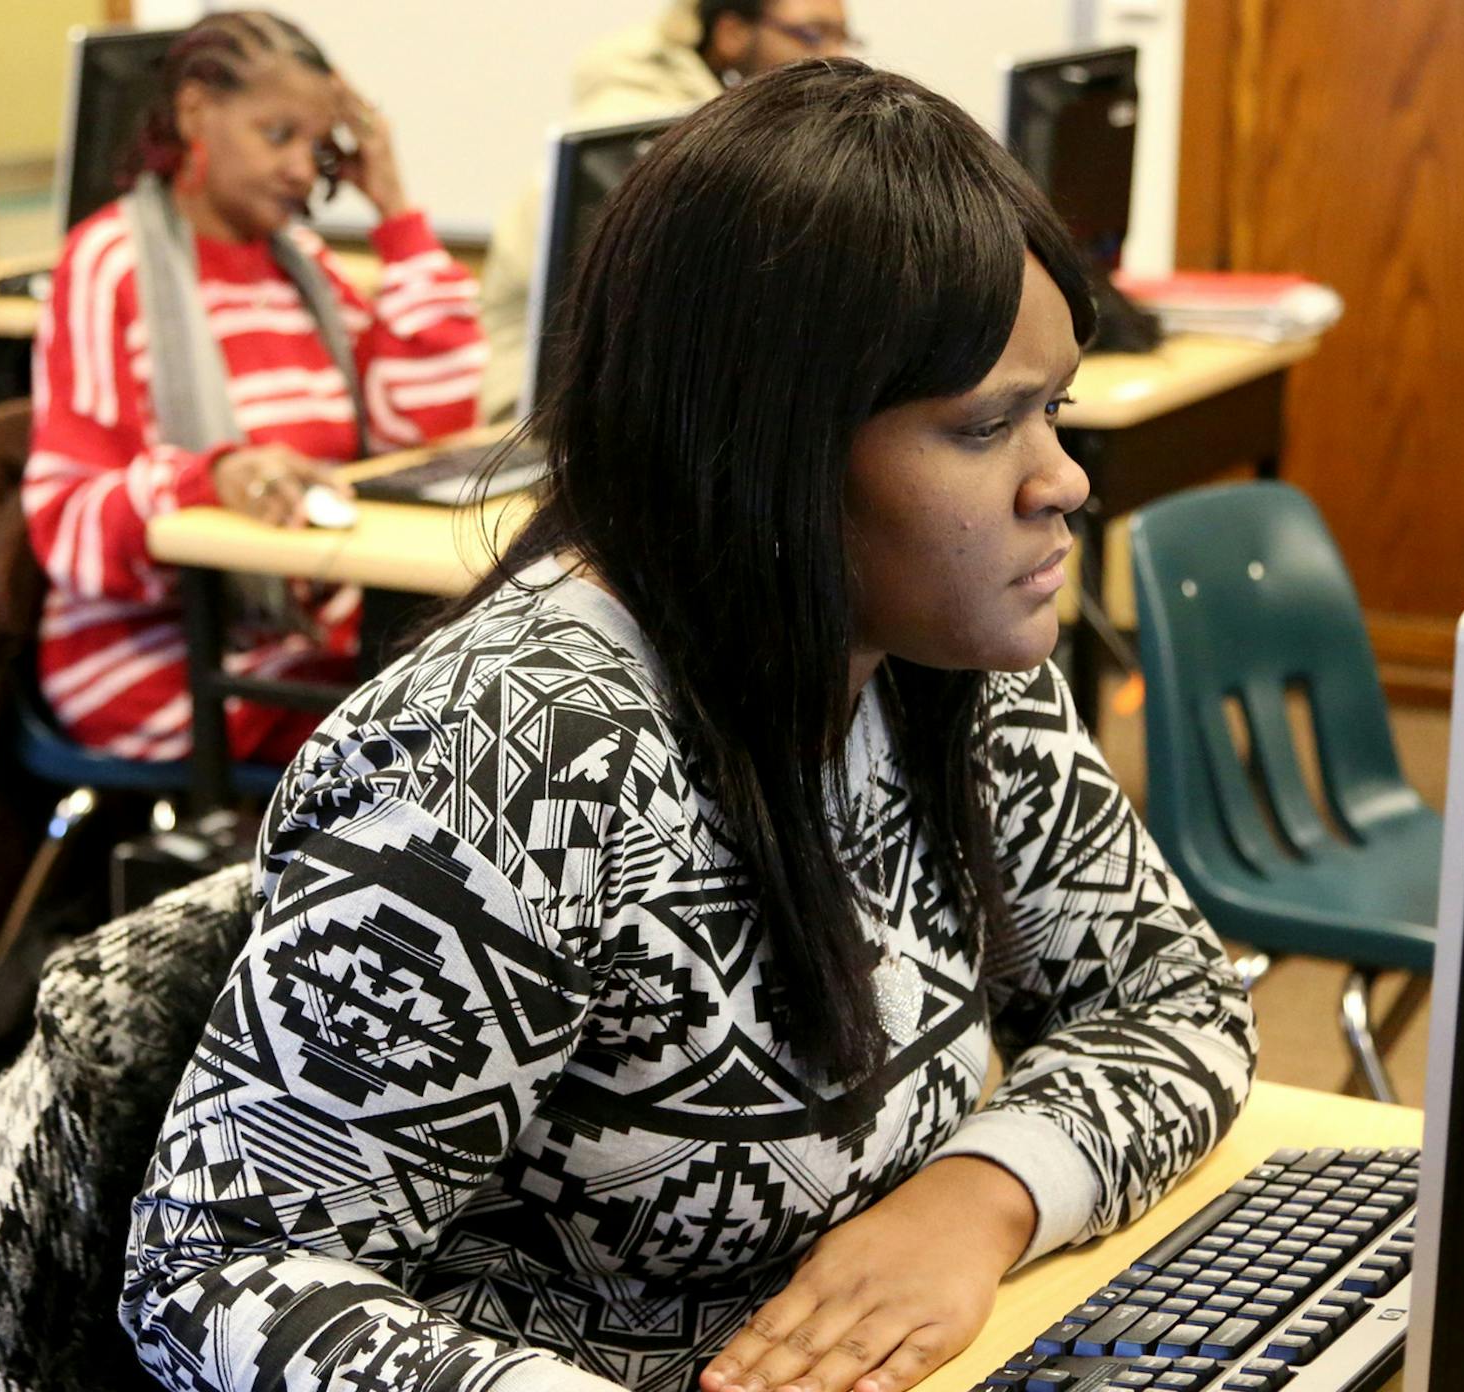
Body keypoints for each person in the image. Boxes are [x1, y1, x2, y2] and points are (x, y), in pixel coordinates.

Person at [123, 59, 1258, 1392]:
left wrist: (984, 1193)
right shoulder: (513, 760)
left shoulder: (954, 665)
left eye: (1050, 410)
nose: (1061, 482)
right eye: (984, 427)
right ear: (773, 444)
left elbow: (1177, 1001)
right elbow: (214, 1270)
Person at [26, 11, 483, 763]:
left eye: (321, 146)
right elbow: (65, 520)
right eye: (278, 136)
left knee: (487, 700)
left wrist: (395, 209)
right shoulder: (108, 264)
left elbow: (424, 436)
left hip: (307, 633)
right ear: (196, 111)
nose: (305, 171)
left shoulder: (301, 263)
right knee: (442, 748)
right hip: (156, 658)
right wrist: (214, 479)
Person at [475, 0, 856, 420]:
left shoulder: (723, 123)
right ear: (732, 33)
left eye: (844, 36)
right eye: (813, 35)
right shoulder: (654, 134)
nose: (838, 57)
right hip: (540, 412)